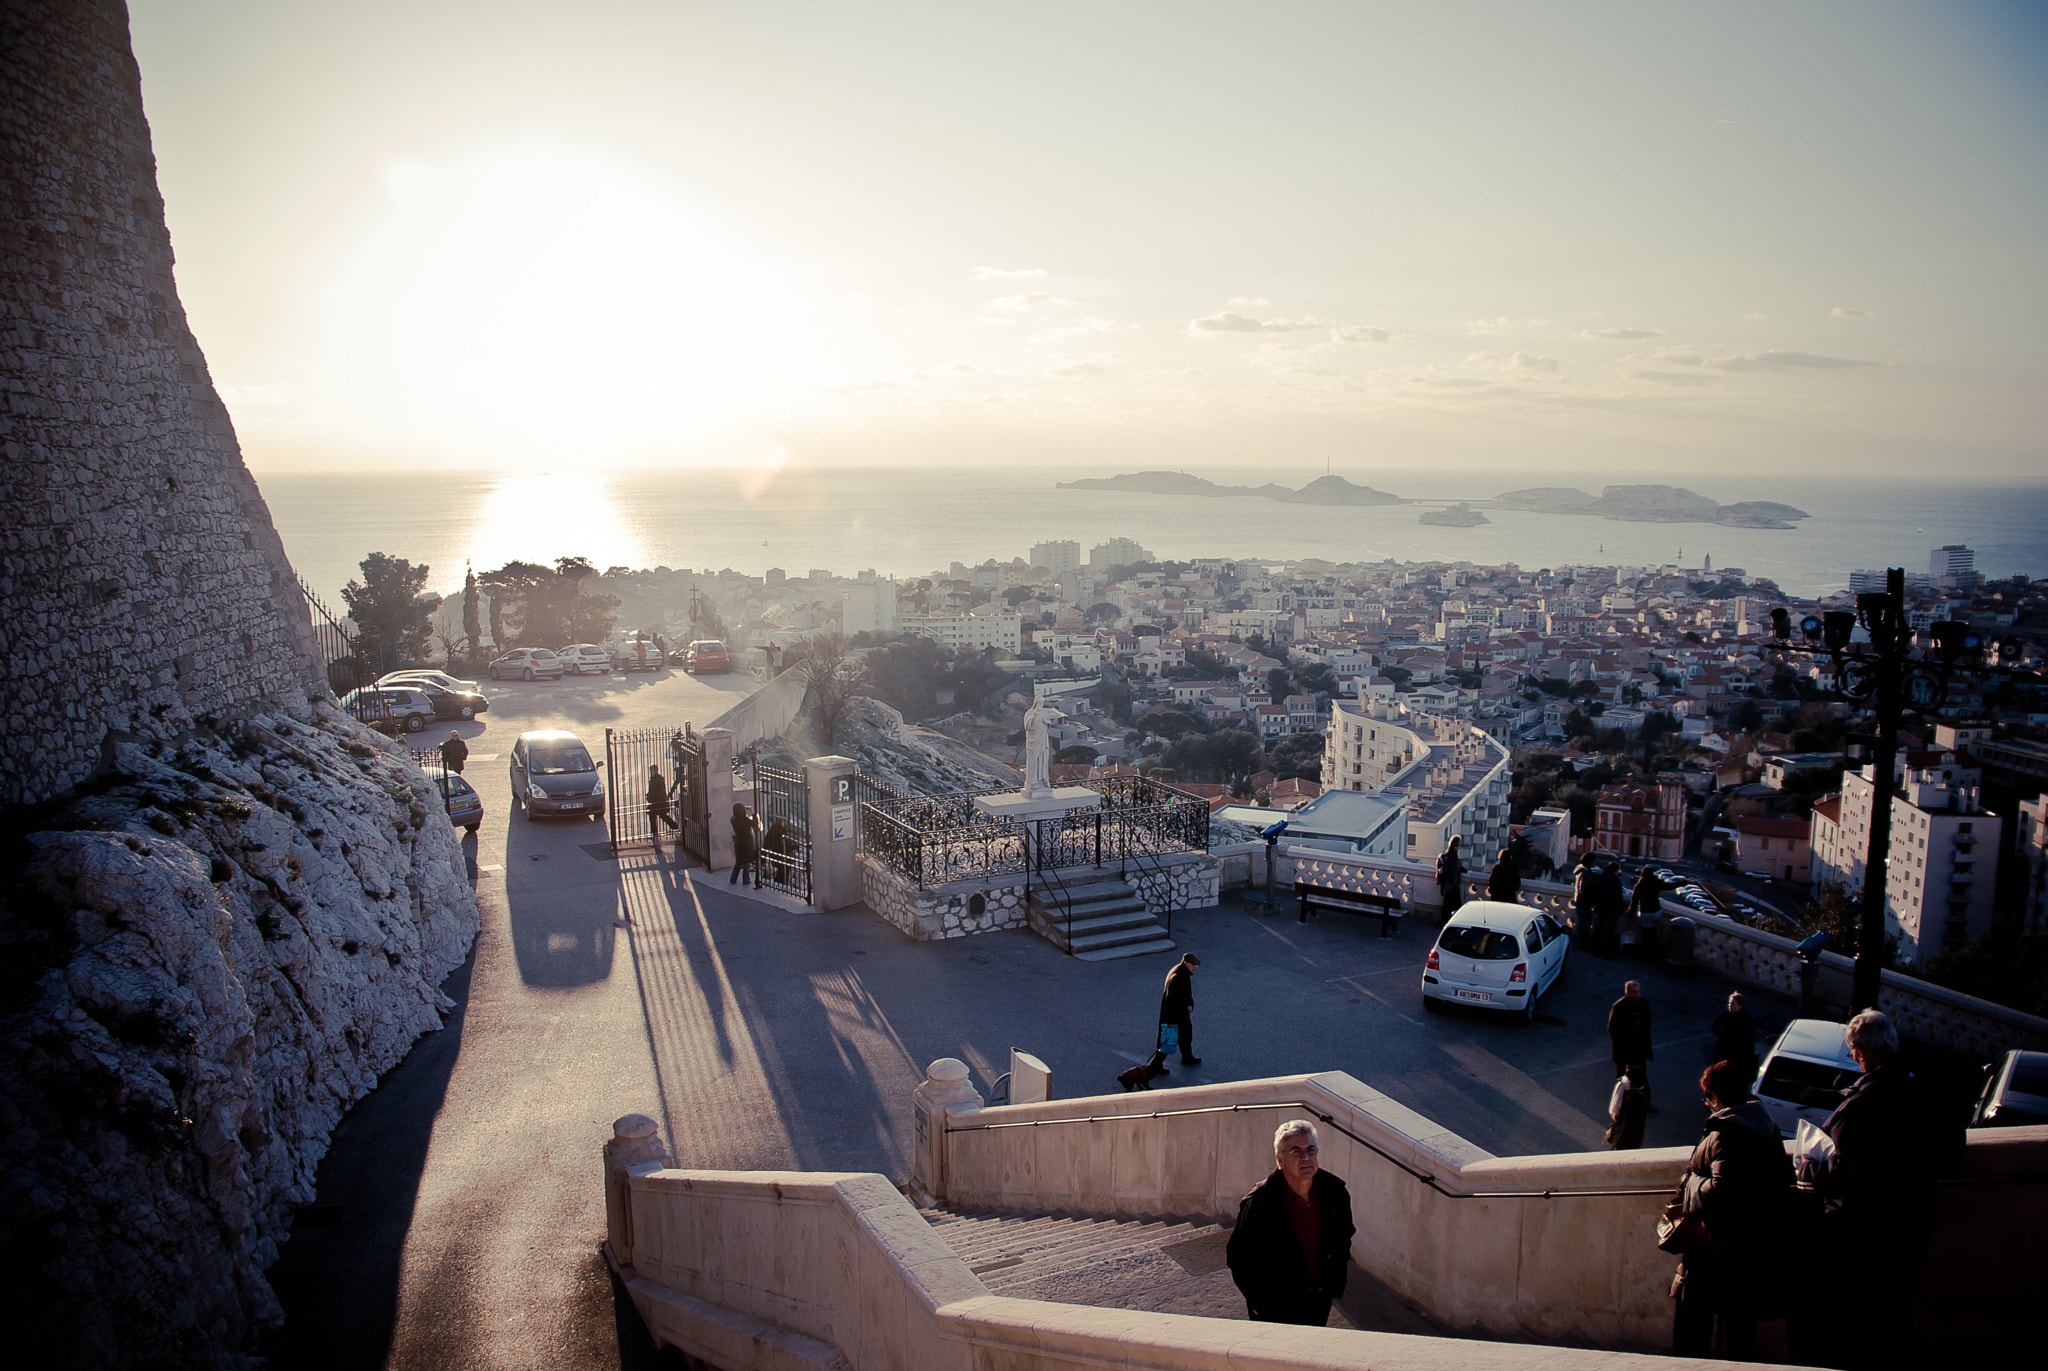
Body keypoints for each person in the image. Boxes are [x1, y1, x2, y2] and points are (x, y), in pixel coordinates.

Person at [1793, 1010, 1967, 1368]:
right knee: (1884, 1320)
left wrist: (1808, 1167)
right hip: (1911, 1227)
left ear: (1860, 1052)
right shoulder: (1929, 1092)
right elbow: (1950, 1151)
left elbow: (1843, 1172)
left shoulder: (1860, 1107)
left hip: (1861, 1236)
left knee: (1849, 1329)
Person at [1666, 1058, 1796, 1359]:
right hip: (1750, 1248)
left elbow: (1721, 1191)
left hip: (1714, 1246)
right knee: (1737, 1331)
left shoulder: (1729, 1133)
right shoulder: (1764, 1127)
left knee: (1693, 1327)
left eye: (1707, 1098)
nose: (1707, 1104)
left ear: (1717, 1097)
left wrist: (1690, 1185)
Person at [1225, 1120, 1357, 1326]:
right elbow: (1239, 1258)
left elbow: (1344, 1237)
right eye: (1297, 1152)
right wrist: (1261, 1304)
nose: (1306, 1158)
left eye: (1311, 1151)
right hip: (1275, 1309)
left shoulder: (1335, 1192)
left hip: (1318, 1300)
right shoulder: (1260, 1201)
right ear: (1280, 1160)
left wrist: (1331, 1281)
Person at [1608, 981, 1655, 1106]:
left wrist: (1645, 1047)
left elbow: (1647, 1026)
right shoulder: (1619, 1007)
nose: (1637, 995)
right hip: (1624, 1052)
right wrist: (1621, 1047)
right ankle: (1621, 1105)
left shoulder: (1643, 1004)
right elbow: (1612, 1029)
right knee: (1623, 1080)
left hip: (1638, 1049)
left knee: (1642, 1077)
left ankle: (1645, 1103)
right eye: (1634, 992)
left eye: (1638, 991)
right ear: (1627, 992)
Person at [1158, 953, 1201, 1066]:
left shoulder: (1182, 972)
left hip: (1180, 1013)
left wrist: (1190, 1004)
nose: (1195, 968)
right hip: (1175, 1015)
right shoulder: (1178, 977)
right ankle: (1155, 1067)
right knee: (1169, 1041)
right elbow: (1170, 1001)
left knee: (1184, 1037)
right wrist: (1170, 1022)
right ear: (1186, 963)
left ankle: (1187, 1057)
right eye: (1193, 966)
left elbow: (1186, 993)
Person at [1710, 993, 1758, 1073]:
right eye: (1729, 1003)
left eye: (1733, 1004)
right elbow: (1715, 1029)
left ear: (1740, 1006)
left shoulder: (1746, 1020)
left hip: (1736, 1055)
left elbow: (1751, 1038)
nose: (1730, 1005)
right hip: (1722, 1051)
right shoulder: (1724, 1015)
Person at [1606, 1062, 1650, 1150]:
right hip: (1632, 1140)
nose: (1624, 1080)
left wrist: (1617, 1144)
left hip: (1626, 1142)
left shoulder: (1635, 1099)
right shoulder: (1632, 1094)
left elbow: (1627, 1125)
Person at [1627, 867, 1664, 954]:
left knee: (1644, 934)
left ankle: (1644, 952)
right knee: (1653, 933)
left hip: (1644, 912)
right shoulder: (1656, 883)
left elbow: (1634, 901)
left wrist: (1630, 912)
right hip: (1656, 911)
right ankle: (1652, 952)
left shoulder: (1639, 885)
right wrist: (1685, 882)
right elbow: (1670, 886)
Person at [1596, 860, 1628, 957]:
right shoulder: (1615, 880)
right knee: (1608, 931)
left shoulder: (1600, 878)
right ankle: (1607, 951)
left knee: (1599, 928)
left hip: (1600, 906)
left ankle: (1596, 949)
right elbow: (1618, 896)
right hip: (1611, 908)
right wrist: (1620, 908)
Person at [729, 803, 761, 887]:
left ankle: (733, 879)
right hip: (747, 842)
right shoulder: (745, 820)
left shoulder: (733, 819)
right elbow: (755, 823)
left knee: (739, 861)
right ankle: (746, 879)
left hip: (738, 842)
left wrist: (744, 808)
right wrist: (752, 812)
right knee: (747, 861)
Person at [646, 765, 677, 851]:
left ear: (655, 770)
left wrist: (649, 797)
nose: (651, 772)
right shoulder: (656, 779)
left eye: (652, 770)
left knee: (658, 815)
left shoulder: (656, 779)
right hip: (658, 802)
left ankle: (656, 832)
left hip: (658, 802)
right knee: (660, 815)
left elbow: (655, 791)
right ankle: (673, 826)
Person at [1572, 855, 1601, 943]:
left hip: (1580, 901)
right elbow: (1584, 889)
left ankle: (1580, 942)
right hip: (1584, 903)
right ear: (1590, 862)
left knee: (1582, 923)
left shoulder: (1581, 870)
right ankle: (1580, 943)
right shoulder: (1585, 873)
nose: (1594, 863)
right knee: (1584, 924)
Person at [1435, 835, 1465, 916]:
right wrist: (1453, 880)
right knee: (1453, 905)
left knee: (1448, 904)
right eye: (1459, 844)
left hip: (1449, 883)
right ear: (1456, 845)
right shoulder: (1451, 855)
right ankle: (1447, 921)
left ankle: (1446, 920)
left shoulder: (1448, 853)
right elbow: (1451, 869)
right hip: (1451, 883)